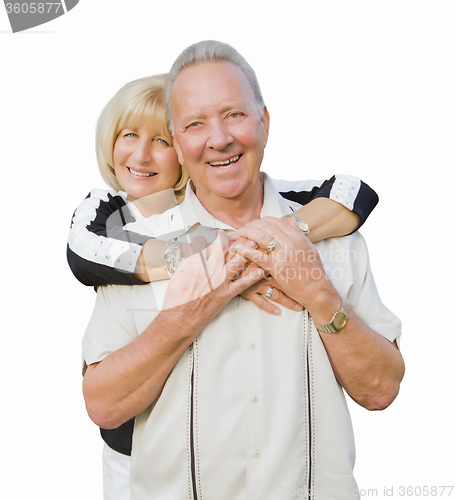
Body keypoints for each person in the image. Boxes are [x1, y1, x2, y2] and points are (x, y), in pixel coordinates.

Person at [80, 42, 403, 499]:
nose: (219, 138)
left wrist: (319, 295)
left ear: (264, 123)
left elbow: (381, 390)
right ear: (177, 139)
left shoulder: (335, 238)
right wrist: (182, 318)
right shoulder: (137, 246)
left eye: (234, 115)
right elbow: (103, 405)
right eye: (195, 124)